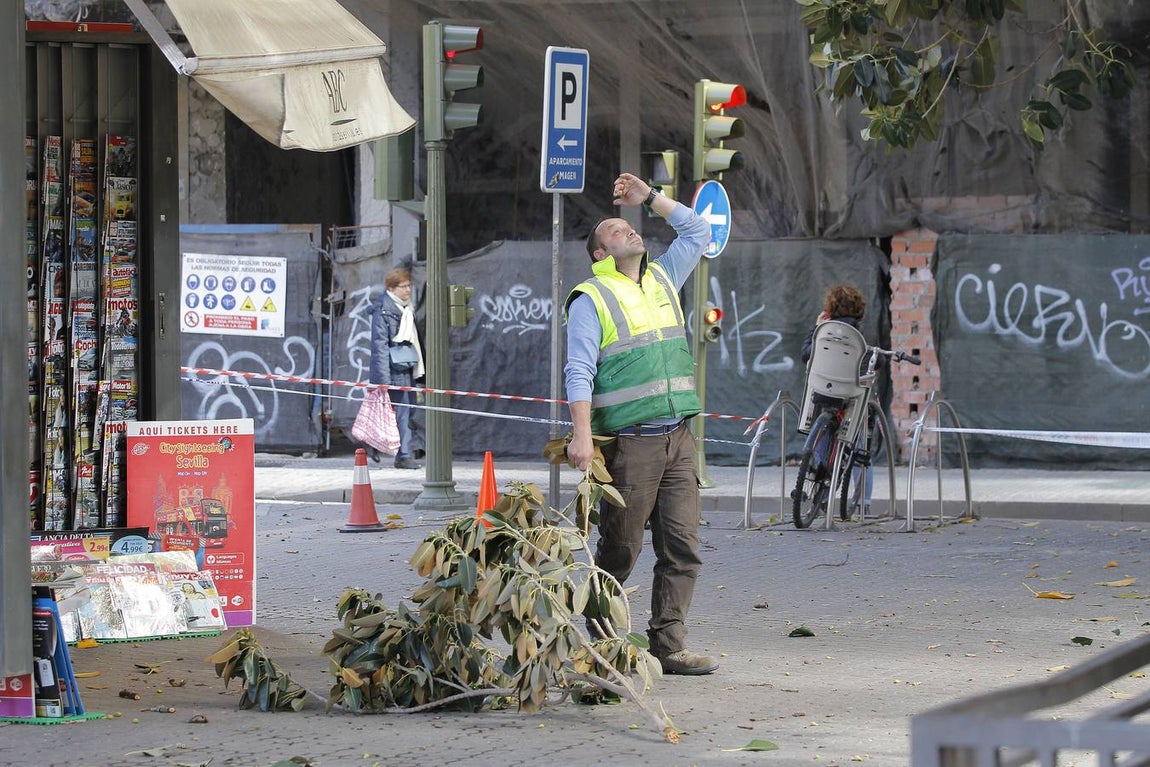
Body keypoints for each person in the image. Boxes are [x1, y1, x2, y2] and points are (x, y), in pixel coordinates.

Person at [563, 172, 717, 676]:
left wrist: (649, 197)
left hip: (678, 438)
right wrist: (582, 436)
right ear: (600, 253)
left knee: (683, 547)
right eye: (614, 229)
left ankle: (668, 646)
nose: (627, 228)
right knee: (620, 551)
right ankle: (605, 646)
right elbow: (579, 370)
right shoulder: (591, 297)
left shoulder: (662, 277)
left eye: (627, 224)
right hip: (631, 445)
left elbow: (699, 231)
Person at [800, 284, 873, 511]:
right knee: (859, 444)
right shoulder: (859, 335)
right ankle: (863, 503)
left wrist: (815, 328)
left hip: (824, 394)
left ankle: (819, 481)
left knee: (822, 433)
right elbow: (873, 360)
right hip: (850, 396)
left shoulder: (823, 332)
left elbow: (805, 354)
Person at [369, 268, 425, 469]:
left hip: (407, 367)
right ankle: (403, 455)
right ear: (391, 288)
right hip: (393, 371)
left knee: (406, 412)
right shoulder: (383, 310)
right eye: (403, 286)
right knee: (401, 413)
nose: (408, 290)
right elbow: (380, 346)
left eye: (409, 285)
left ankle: (376, 444)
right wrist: (383, 380)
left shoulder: (406, 309)